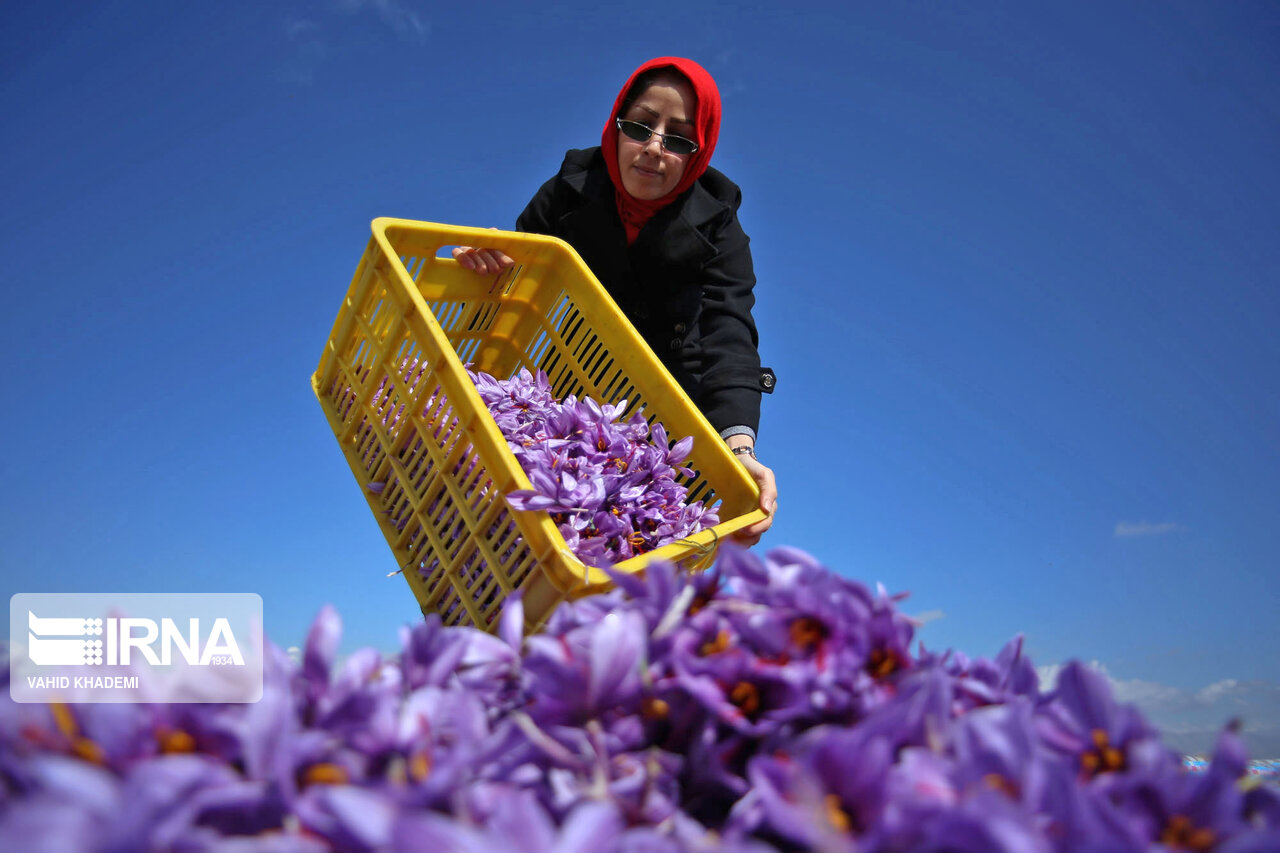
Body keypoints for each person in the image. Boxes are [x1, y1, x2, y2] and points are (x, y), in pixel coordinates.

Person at [453, 57, 777, 545]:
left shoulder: (719, 225)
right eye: (640, 125)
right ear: (616, 124)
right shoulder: (570, 188)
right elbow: (519, 278)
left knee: (634, 539)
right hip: (572, 381)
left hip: (667, 402)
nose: (653, 148)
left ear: (698, 152)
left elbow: (728, 330)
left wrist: (738, 447)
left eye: (679, 138)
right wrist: (489, 262)